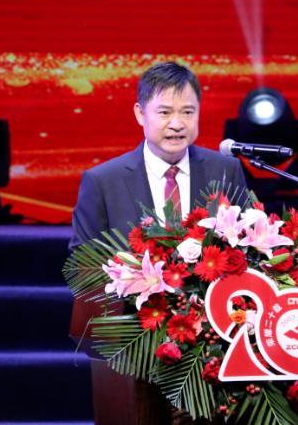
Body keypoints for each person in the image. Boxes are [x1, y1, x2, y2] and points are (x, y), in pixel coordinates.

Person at [68, 61, 247, 425]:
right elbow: (82, 265)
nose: (177, 123)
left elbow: (245, 250)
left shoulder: (225, 170)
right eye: (164, 112)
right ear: (140, 113)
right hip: (135, 346)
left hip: (214, 345)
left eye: (187, 112)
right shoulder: (103, 181)